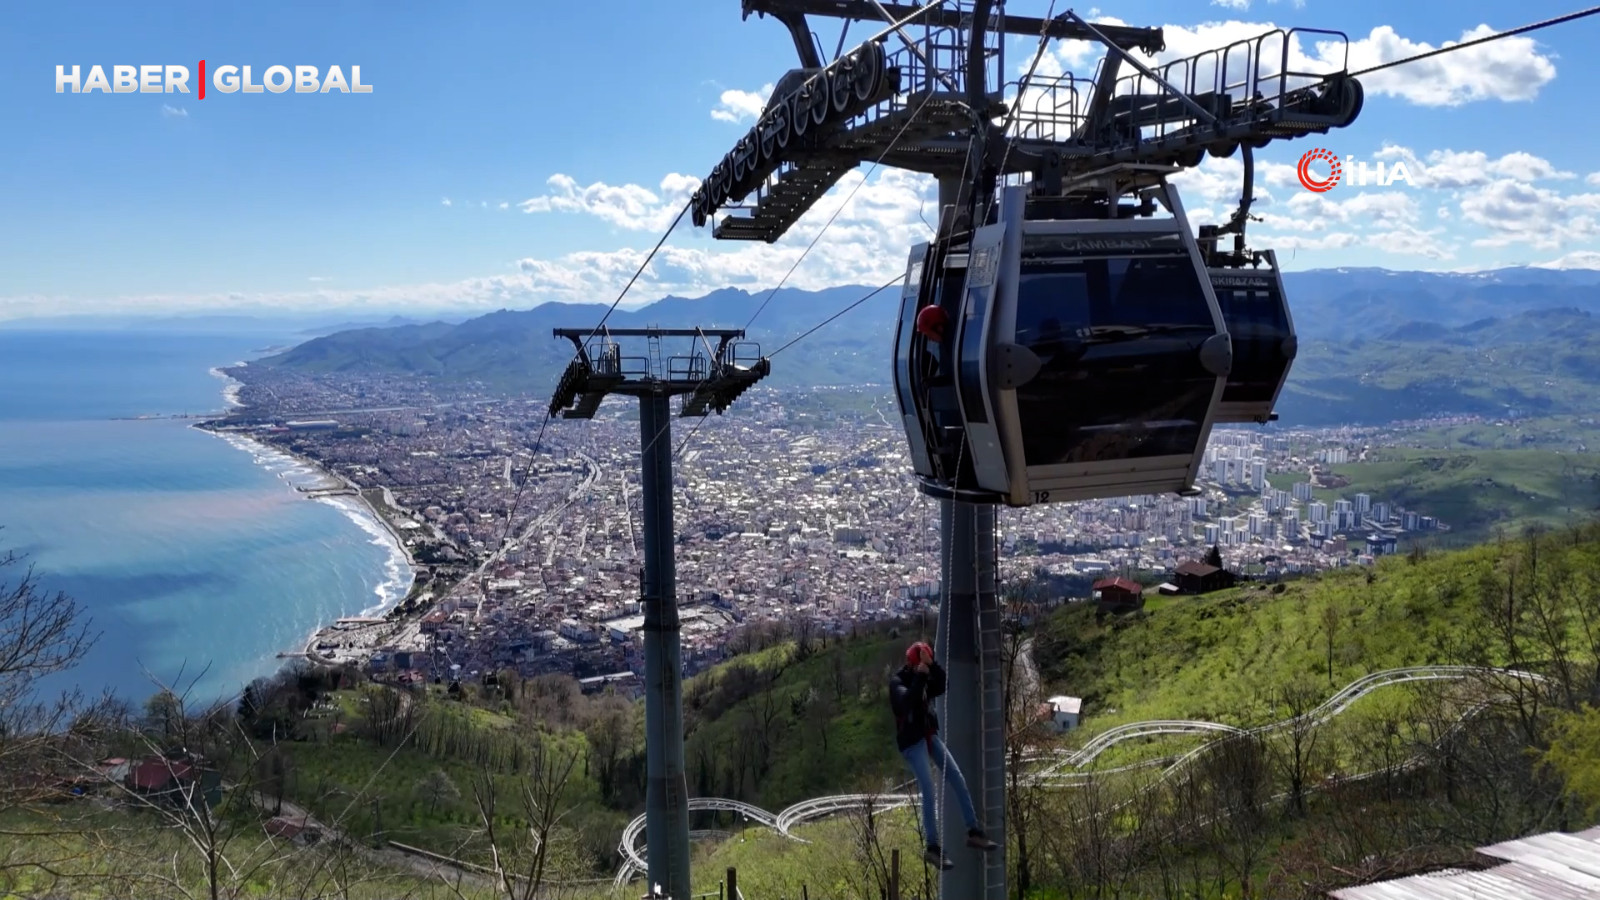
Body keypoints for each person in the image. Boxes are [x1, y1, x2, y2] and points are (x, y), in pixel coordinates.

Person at [889, 640, 998, 869]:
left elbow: (942, 684)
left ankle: (974, 830)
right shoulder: (898, 682)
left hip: (928, 734)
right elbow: (906, 702)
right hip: (912, 742)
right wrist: (920, 675)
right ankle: (932, 846)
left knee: (956, 776)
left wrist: (933, 665)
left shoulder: (925, 676)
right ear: (913, 665)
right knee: (928, 788)